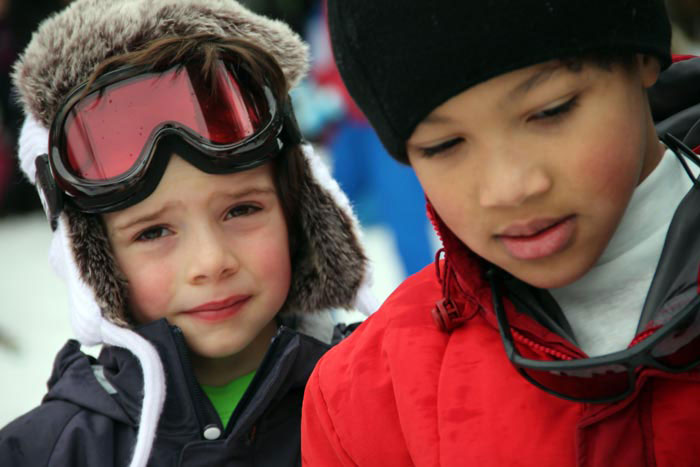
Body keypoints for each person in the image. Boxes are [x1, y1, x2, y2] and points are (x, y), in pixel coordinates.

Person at [302, 1, 700, 465]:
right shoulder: (366, 398)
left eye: (550, 112)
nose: (508, 188)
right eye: (444, 145)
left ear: (642, 59)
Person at [0, 0, 374, 466]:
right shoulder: (49, 453)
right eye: (154, 232)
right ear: (93, 265)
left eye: (241, 209)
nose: (211, 262)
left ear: (299, 213)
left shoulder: (381, 404)